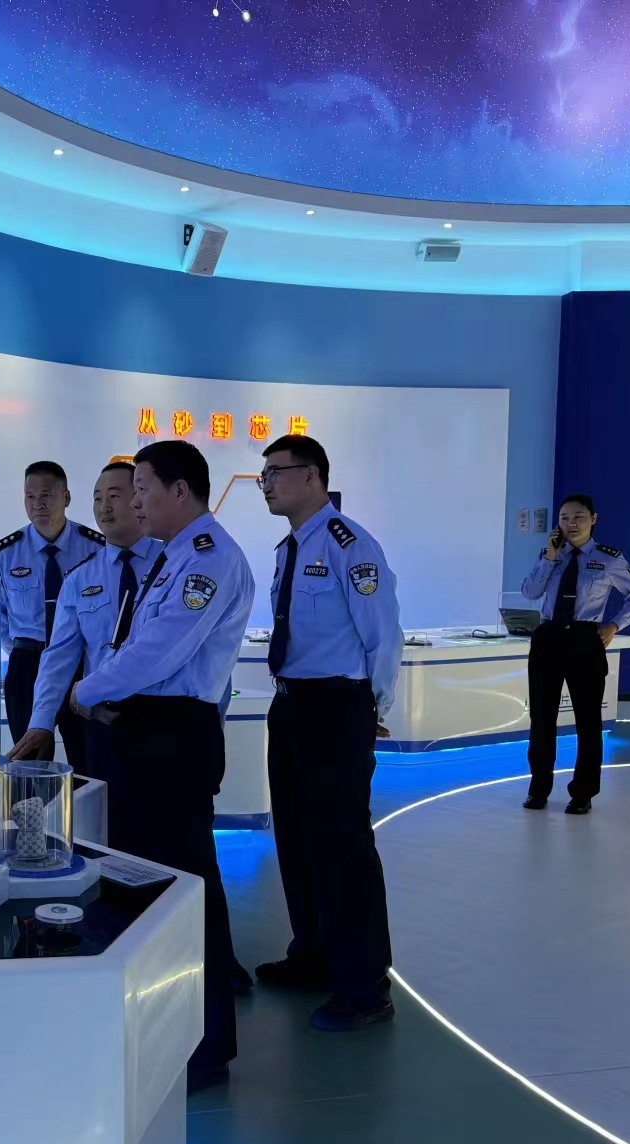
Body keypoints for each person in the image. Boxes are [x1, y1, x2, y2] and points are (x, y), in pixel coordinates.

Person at [68, 440, 252, 1092]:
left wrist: (85, 691)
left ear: (180, 490)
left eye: (142, 487)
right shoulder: (174, 557)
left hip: (173, 737)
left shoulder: (209, 559)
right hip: (143, 732)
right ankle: (164, 1025)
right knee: (147, 883)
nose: (134, 500)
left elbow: (156, 652)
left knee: (183, 889)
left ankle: (203, 1044)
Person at [252, 434, 403, 1033]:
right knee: (295, 837)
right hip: (292, 704)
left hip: (336, 707)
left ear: (312, 476)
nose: (266, 483)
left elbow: (383, 634)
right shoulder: (289, 549)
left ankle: (364, 986)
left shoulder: (350, 545)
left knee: (342, 847)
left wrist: (371, 705)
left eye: (276, 472)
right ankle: (313, 954)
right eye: (264, 474)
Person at [6, 460, 162, 777]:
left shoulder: (173, 562)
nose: (104, 507)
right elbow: (59, 655)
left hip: (163, 720)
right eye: (97, 498)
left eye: (114, 496)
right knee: (97, 798)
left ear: (139, 498)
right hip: (103, 717)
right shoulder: (81, 577)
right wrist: (41, 721)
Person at [519, 494, 630, 814]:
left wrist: (614, 625)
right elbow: (530, 592)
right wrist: (550, 558)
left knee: (588, 721)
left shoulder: (609, 558)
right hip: (548, 638)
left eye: (578, 517)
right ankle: (538, 789)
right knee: (542, 719)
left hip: (584, 640)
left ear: (593, 519)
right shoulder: (550, 555)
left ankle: (583, 793)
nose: (571, 523)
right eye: (564, 518)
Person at [0, 461, 105, 771]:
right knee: (29, 762)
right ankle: (33, 805)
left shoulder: (94, 548)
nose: (37, 504)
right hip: (28, 664)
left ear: (66, 497)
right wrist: (23, 650)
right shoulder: (5, 554)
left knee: (87, 758)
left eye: (46, 496)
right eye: (30, 497)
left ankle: (83, 803)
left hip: (81, 665)